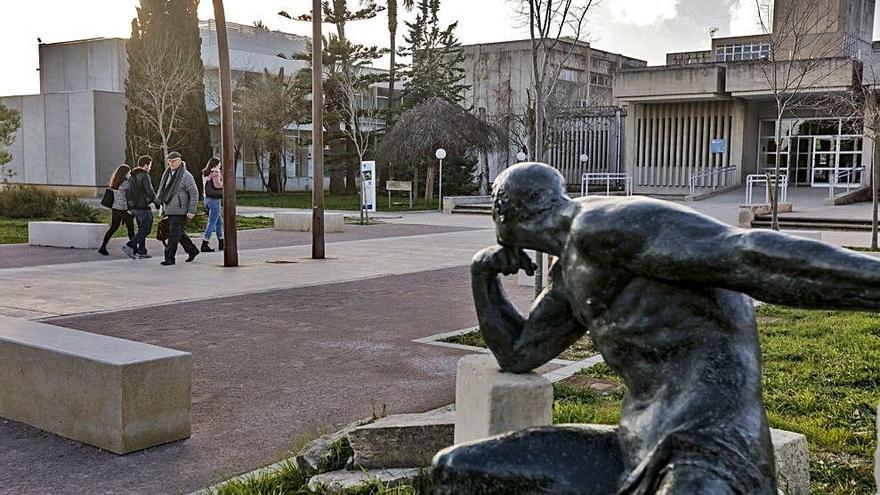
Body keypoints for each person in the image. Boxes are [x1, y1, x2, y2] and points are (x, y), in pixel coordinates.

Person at [443, 162, 880, 494]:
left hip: (709, 451)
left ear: (504, 216)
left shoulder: (605, 225)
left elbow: (749, 255)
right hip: (632, 445)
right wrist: (482, 276)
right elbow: (519, 353)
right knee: (456, 469)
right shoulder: (567, 274)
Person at [155, 151, 199, 266]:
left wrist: (191, 210)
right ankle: (192, 250)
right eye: (169, 161)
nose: (171, 163)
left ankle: (169, 258)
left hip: (180, 211)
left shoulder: (186, 175)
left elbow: (194, 193)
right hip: (169, 209)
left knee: (173, 235)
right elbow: (164, 192)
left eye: (173, 161)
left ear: (180, 161)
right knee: (178, 233)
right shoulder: (167, 174)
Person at [122, 156, 157, 259]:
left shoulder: (132, 175)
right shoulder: (144, 175)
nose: (150, 168)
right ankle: (129, 246)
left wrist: (130, 206)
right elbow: (149, 191)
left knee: (141, 228)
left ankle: (142, 251)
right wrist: (154, 201)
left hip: (134, 208)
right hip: (142, 207)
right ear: (145, 165)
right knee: (146, 229)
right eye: (150, 166)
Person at [98, 164, 134, 256]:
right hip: (124, 209)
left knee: (113, 228)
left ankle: (103, 246)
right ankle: (135, 249)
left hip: (115, 209)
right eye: (128, 173)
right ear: (124, 173)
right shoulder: (125, 184)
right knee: (131, 229)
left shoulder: (115, 182)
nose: (129, 174)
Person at [200, 157, 224, 252]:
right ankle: (205, 243)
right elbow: (217, 185)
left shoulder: (206, 172)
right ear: (216, 164)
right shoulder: (215, 171)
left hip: (207, 199)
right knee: (212, 222)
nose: (220, 165)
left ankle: (221, 242)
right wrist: (226, 183)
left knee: (219, 222)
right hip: (214, 199)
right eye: (219, 163)